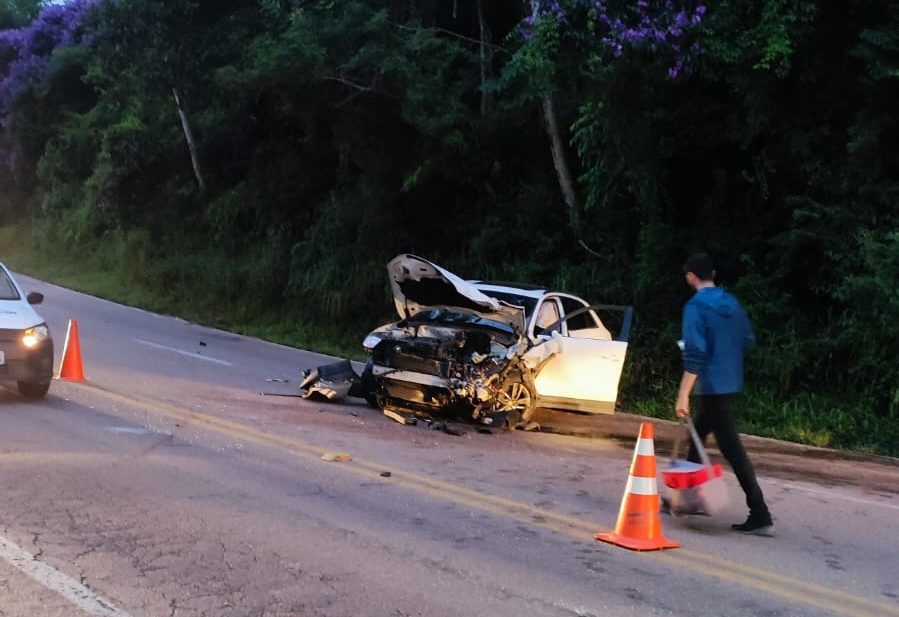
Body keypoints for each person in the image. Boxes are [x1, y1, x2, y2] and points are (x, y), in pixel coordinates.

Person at [674, 252, 774, 535]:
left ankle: (760, 512)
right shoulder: (732, 302)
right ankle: (686, 499)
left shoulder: (695, 307)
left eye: (687, 274)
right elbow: (748, 340)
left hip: (712, 386)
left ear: (692, 275)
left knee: (733, 450)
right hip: (731, 383)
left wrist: (683, 394)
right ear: (713, 275)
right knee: (698, 434)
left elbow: (695, 353)